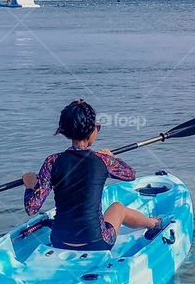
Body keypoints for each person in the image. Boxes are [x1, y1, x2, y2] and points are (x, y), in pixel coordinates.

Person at [22, 98, 163, 251]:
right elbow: (130, 174)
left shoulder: (52, 162)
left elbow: (32, 208)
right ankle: (153, 224)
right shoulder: (103, 160)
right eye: (97, 127)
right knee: (117, 208)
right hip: (97, 242)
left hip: (59, 241)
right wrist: (112, 158)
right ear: (91, 131)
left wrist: (30, 186)